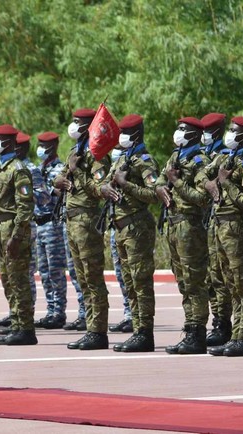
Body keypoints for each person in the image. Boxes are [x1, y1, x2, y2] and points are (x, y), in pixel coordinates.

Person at [198, 116, 243, 357]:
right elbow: (200, 174)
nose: (229, 135)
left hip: (238, 231)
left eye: (234, 131)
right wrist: (211, 184)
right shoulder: (225, 158)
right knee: (230, 284)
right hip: (220, 228)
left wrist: (226, 184)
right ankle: (235, 335)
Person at [100, 114, 159, 352]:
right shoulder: (122, 158)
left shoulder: (144, 161)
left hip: (137, 227)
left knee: (141, 281)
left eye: (125, 133)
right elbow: (104, 183)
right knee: (129, 282)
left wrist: (127, 185)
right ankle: (137, 329)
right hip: (121, 227)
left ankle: (145, 332)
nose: (121, 138)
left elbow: (155, 195)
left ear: (134, 135)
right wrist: (106, 186)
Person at [54, 108, 111, 351]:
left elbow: (101, 189)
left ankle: (98, 332)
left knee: (92, 277)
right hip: (72, 220)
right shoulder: (74, 152)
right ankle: (90, 327)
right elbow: (58, 178)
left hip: (87, 221)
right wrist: (58, 180)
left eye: (78, 123)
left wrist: (77, 172)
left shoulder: (97, 155)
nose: (73, 126)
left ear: (89, 126)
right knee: (81, 278)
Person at [156, 117, 211, 354]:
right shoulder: (175, 156)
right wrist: (161, 187)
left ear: (194, 135)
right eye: (177, 128)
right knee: (182, 279)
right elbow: (160, 180)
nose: (178, 133)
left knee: (194, 280)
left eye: (183, 130)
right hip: (174, 223)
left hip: (191, 225)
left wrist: (176, 181)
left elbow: (202, 197)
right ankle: (190, 328)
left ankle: (197, 333)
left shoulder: (200, 161)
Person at [0, 124, 36, 346]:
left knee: (18, 280)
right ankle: (16, 324)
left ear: (8, 142)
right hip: (0, 228)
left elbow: (25, 206)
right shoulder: (0, 167)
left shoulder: (18, 169)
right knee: (8, 280)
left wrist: (17, 236)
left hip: (12, 228)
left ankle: (26, 328)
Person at [32, 132, 74, 329]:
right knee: (45, 271)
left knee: (56, 270)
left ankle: (59, 311)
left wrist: (48, 190)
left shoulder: (59, 169)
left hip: (53, 223)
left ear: (55, 145)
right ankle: (51, 310)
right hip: (39, 224)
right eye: (40, 144)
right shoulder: (39, 168)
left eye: (45, 144)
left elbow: (59, 195)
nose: (41, 148)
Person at [199, 113, 231, 346]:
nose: (203, 136)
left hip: (221, 222)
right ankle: (217, 320)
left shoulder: (223, 156)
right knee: (210, 276)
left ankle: (224, 323)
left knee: (222, 275)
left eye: (207, 131)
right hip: (205, 223)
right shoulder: (204, 155)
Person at [15, 132, 45, 319]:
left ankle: (28, 312)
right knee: (13, 273)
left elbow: (43, 196)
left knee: (26, 270)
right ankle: (16, 311)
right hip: (12, 224)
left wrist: (24, 196)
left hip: (27, 224)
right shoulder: (9, 168)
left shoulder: (31, 169)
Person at [107, 146, 133, 334]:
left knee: (134, 276)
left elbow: (151, 195)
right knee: (121, 274)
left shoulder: (139, 163)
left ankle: (136, 318)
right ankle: (128, 314)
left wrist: (124, 183)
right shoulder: (113, 167)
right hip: (116, 224)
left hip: (132, 226)